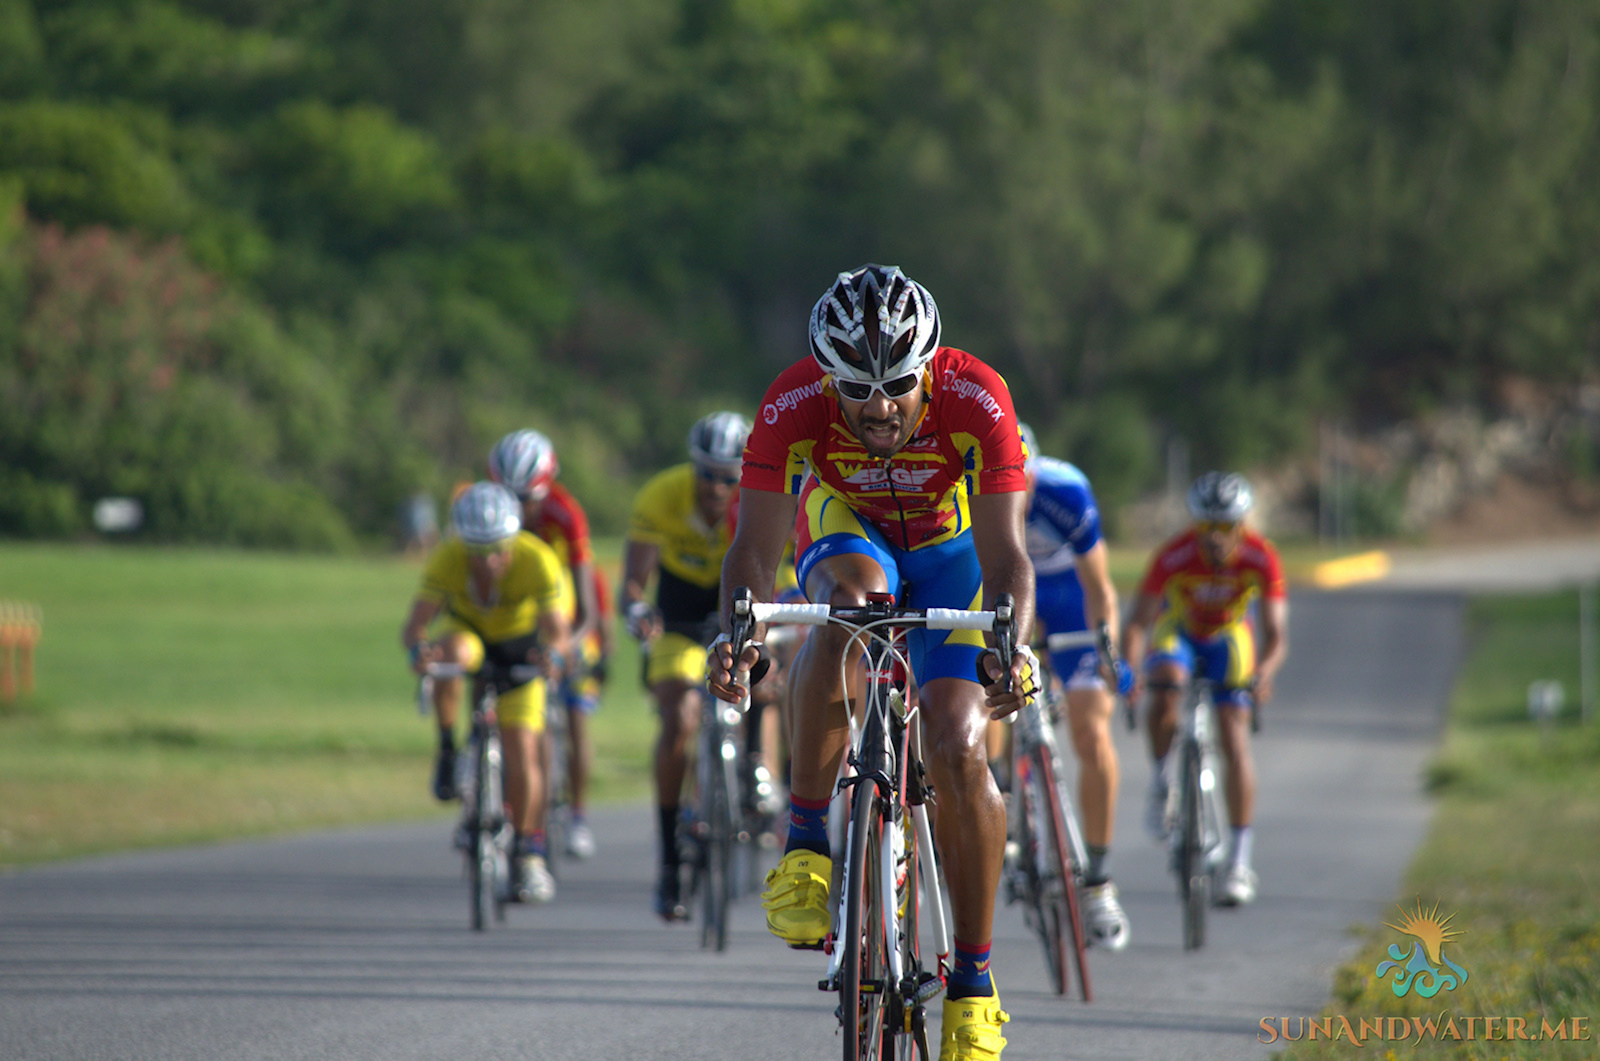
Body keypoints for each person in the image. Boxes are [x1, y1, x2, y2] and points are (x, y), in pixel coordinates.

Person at [709, 264, 1032, 1061]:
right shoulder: (793, 403)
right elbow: (751, 547)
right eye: (855, 388)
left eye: (895, 385)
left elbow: (1009, 559)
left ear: (928, 369)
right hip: (849, 529)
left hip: (953, 555)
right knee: (846, 610)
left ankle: (974, 984)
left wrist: (1008, 648)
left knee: (958, 742)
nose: (878, 406)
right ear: (828, 377)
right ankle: (809, 843)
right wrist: (740, 636)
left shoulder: (976, 397)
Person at [1120, 471, 1288, 907]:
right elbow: (1138, 622)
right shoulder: (1174, 556)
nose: (1215, 537)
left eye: (1226, 526)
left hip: (1228, 638)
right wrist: (1130, 670)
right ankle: (1162, 785)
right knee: (1167, 689)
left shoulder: (1261, 557)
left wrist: (1265, 672)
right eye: (1206, 526)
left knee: (1234, 734)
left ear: (1241, 524)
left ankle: (1239, 862)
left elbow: (1275, 632)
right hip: (1180, 633)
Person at [401, 482, 573, 903]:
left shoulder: (536, 558)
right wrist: (419, 652)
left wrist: (553, 656)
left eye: (498, 548)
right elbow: (416, 626)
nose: (490, 560)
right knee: (451, 653)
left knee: (523, 751)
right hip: (471, 638)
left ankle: (528, 850)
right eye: (478, 551)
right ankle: (447, 749)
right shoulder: (447, 558)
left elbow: (558, 631)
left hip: (520, 647)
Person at [621, 411, 753, 921]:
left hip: (739, 605)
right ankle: (671, 857)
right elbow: (634, 581)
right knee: (678, 717)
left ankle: (759, 764)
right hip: (677, 609)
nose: (718, 488)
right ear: (692, 469)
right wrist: (636, 609)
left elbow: (786, 561)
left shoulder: (759, 495)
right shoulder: (661, 494)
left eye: (729, 477)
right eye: (708, 475)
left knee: (768, 680)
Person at [1010, 422, 1131, 950]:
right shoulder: (969, 492)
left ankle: (1099, 880)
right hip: (1013, 598)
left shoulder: (1066, 492)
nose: (1017, 491)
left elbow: (1100, 588)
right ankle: (1009, 815)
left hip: (1068, 599)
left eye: (1023, 481)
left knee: (1090, 731)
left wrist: (1108, 653)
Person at [488, 429, 609, 859]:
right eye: (511, 496)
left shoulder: (565, 513)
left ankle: (577, 815)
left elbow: (589, 603)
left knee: (576, 718)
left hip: (570, 623)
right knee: (529, 726)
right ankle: (524, 821)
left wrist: (575, 647)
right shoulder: (488, 515)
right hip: (522, 626)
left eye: (529, 498)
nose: (519, 509)